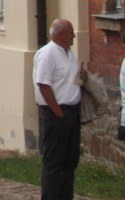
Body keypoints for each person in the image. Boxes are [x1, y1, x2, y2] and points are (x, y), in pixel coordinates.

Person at [33, 18, 86, 200]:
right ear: (62, 34)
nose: (73, 36)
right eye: (71, 32)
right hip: (57, 113)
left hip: (72, 111)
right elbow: (43, 85)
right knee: (54, 163)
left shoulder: (69, 53)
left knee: (70, 161)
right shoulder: (47, 54)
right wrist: (58, 112)